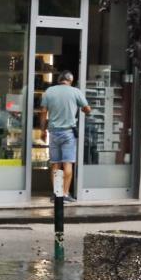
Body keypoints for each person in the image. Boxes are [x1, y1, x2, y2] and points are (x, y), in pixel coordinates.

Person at [42, 71, 90, 202]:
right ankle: (64, 194)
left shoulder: (49, 91)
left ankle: (56, 193)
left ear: (59, 80)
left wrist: (42, 129)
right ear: (70, 80)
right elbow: (88, 109)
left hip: (53, 132)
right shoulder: (75, 92)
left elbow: (43, 112)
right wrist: (83, 110)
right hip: (68, 132)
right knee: (67, 163)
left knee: (55, 164)